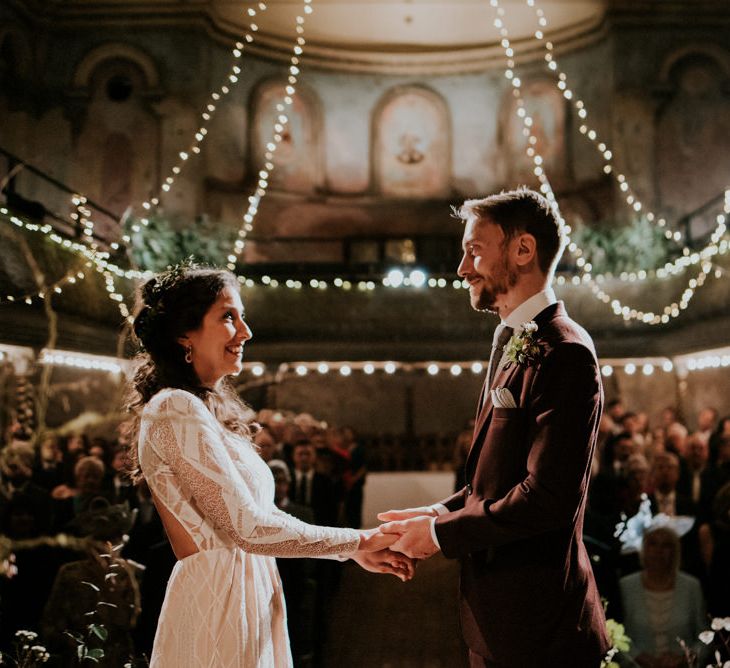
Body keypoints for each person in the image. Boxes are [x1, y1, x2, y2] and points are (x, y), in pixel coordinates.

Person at [125, 264, 413, 667]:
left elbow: (266, 519)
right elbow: (247, 528)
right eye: (228, 316)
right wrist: (357, 541)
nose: (246, 331)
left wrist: (349, 553)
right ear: (183, 335)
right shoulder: (175, 407)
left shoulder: (203, 408)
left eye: (242, 316)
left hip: (250, 586)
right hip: (218, 598)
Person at [378, 188, 609, 666]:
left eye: (474, 250)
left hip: (539, 629)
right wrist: (437, 513)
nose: (463, 268)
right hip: (499, 622)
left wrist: (440, 537)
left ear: (523, 250)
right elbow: (494, 481)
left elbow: (547, 499)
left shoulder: (564, 351)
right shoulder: (512, 339)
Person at [619, 525, 706, 667]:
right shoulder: (626, 586)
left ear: (675, 551)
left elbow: (705, 635)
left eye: (666, 545)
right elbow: (615, 635)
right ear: (644, 548)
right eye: (653, 544)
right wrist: (640, 657)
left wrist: (684, 657)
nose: (658, 551)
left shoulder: (691, 586)